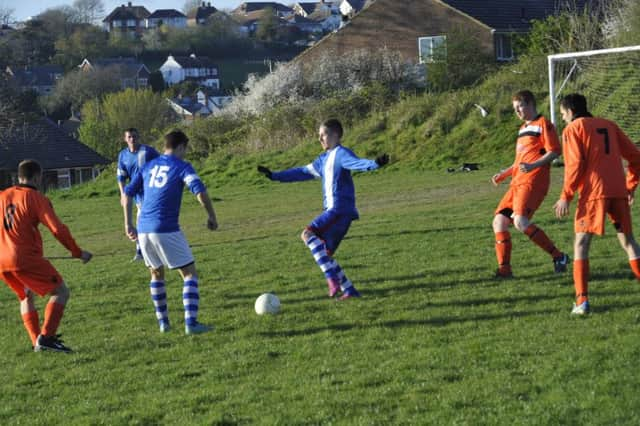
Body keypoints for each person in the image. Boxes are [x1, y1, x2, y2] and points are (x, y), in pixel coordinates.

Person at [257, 119, 388, 300]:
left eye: (323, 135)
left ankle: (331, 279)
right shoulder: (323, 160)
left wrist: (374, 164)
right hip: (338, 212)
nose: (320, 139)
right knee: (324, 254)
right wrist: (274, 175)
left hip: (338, 209)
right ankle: (349, 290)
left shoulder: (341, 154)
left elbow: (355, 163)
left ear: (336, 134)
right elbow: (301, 172)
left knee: (307, 235)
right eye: (318, 136)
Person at [123, 130, 218, 334]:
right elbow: (199, 191)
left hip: (143, 229)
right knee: (189, 274)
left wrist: (128, 224)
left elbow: (127, 193)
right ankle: (191, 324)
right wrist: (211, 216)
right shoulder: (182, 166)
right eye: (186, 149)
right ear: (181, 146)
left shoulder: (149, 165)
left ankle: (164, 324)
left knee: (156, 274)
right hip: (165, 228)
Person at [553, 93, 640, 315]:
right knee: (628, 241)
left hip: (594, 193)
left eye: (563, 114)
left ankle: (581, 301)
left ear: (571, 112)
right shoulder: (608, 124)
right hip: (617, 190)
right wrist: (629, 187)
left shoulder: (573, 129)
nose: (563, 119)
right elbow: (636, 157)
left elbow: (574, 165)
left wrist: (566, 195)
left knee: (581, 243)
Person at [0, 160, 92, 352]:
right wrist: (77, 251)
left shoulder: (2, 196)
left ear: (18, 176)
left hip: (2, 260)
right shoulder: (35, 198)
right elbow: (57, 229)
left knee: (25, 297)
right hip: (23, 258)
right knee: (61, 292)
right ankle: (47, 338)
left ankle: (37, 342)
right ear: (37, 177)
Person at [491, 90, 569, 278]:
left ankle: (559, 257)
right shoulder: (523, 129)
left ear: (531, 104)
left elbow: (555, 151)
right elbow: (520, 161)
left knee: (520, 221)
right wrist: (505, 173)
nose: (517, 111)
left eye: (520, 107)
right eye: (515, 108)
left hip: (533, 182)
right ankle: (505, 270)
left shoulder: (544, 124)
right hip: (517, 182)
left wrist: (533, 165)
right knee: (499, 222)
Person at [117, 128, 159, 262]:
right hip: (136, 195)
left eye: (134, 136)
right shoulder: (123, 155)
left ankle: (142, 251)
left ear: (139, 136)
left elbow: (162, 166)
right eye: (129, 137)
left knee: (144, 220)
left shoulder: (149, 152)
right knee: (143, 221)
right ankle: (144, 250)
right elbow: (121, 177)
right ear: (125, 139)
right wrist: (123, 194)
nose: (132, 139)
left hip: (151, 193)